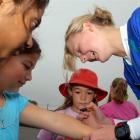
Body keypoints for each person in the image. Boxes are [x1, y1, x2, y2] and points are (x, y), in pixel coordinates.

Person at [63, 6, 140, 140]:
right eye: (79, 57)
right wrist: (105, 122)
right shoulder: (130, 73)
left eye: (79, 50)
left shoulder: (138, 22)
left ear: (87, 27)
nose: (83, 59)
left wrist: (122, 132)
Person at [0, 38, 95, 140]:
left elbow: (56, 121)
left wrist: (111, 134)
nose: (29, 77)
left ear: (95, 95)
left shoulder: (15, 103)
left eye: (89, 92)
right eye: (27, 66)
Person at [37, 68, 108, 140]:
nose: (83, 98)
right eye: (78, 92)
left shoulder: (99, 120)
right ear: (70, 91)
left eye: (89, 93)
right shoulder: (58, 115)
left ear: (95, 94)